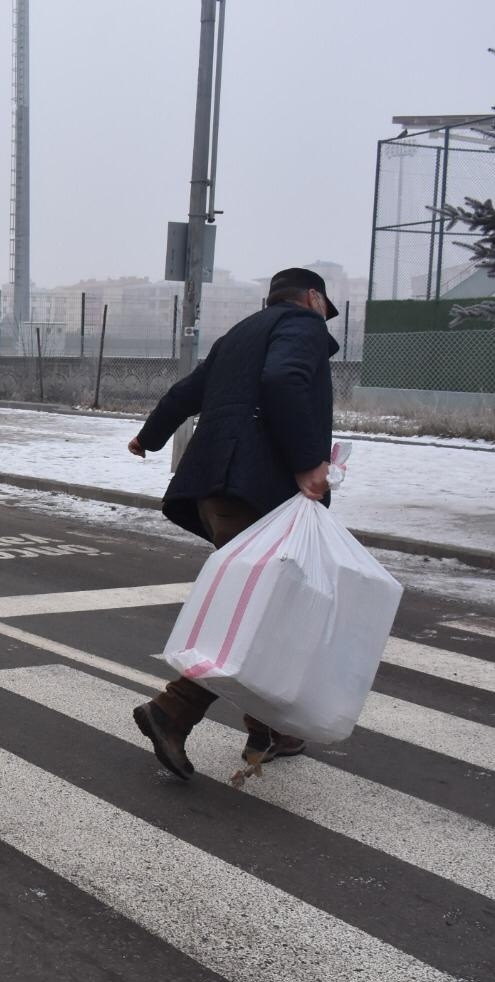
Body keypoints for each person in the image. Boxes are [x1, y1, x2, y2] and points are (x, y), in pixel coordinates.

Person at [126, 266, 339, 780]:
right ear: (312, 298)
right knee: (259, 611)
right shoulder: (303, 327)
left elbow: (186, 392)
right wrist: (311, 460)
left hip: (216, 490)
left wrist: (148, 437)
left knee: (267, 603)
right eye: (324, 309)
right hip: (256, 491)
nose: (324, 319)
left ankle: (269, 728)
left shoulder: (241, 334)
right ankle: (172, 711)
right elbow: (283, 380)